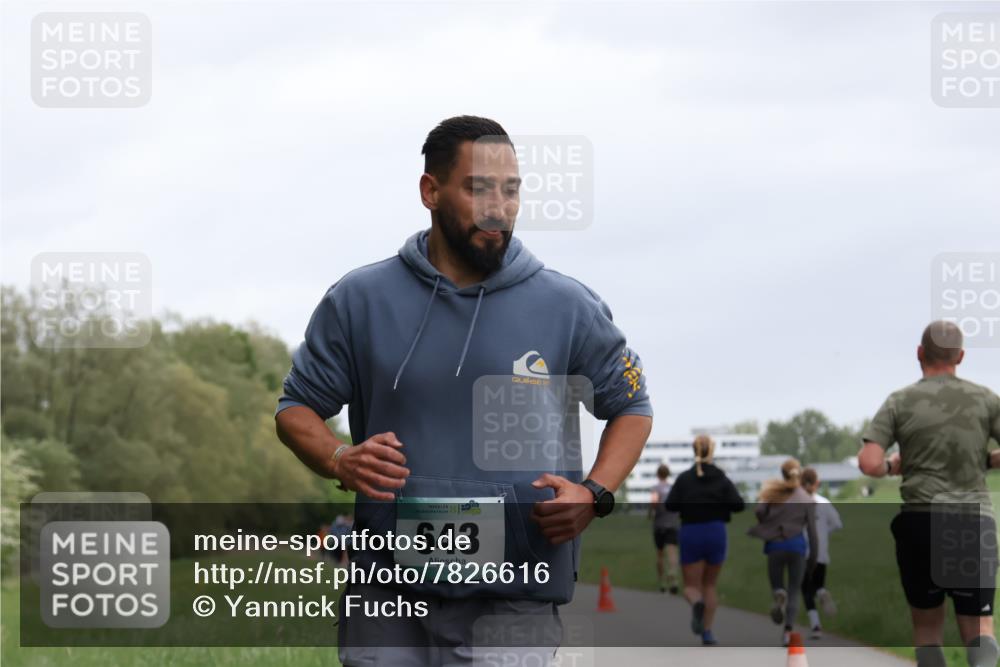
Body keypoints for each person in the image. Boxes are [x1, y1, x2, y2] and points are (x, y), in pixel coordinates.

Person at [274, 115, 653, 667]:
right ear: (431, 191)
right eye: (479, 188)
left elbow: (631, 406)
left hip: (513, 601)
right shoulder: (359, 299)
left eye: (511, 189)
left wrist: (594, 493)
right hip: (386, 599)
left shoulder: (566, 305)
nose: (498, 206)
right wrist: (339, 458)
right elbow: (295, 408)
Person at [859, 321, 1000, 667]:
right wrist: (985, 460)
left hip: (921, 523)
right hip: (972, 522)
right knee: (979, 627)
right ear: (961, 356)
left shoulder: (900, 400)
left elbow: (869, 462)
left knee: (926, 628)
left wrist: (893, 467)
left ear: (920, 353)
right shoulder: (985, 399)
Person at [664, 435, 745, 646]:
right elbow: (739, 504)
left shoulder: (684, 478)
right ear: (712, 451)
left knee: (691, 587)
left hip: (691, 532)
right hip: (716, 532)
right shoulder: (721, 477)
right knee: (710, 585)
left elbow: (670, 505)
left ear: (694, 451)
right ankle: (707, 633)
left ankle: (697, 603)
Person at [748, 458, 818, 647]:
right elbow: (812, 531)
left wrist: (769, 519)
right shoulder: (806, 498)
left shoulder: (772, 493)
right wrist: (813, 558)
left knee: (778, 586)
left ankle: (779, 596)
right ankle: (788, 632)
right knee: (794, 590)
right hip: (797, 547)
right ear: (800, 474)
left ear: (783, 473)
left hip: (775, 546)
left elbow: (759, 512)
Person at [799, 467, 842, 639]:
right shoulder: (823, 502)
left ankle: (816, 625)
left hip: (803, 552)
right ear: (817, 483)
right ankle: (822, 592)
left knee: (805, 589)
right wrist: (824, 532)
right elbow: (838, 524)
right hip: (821, 551)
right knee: (817, 583)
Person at [648, 463, 680, 594]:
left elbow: (654, 502)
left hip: (659, 525)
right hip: (672, 524)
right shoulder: (673, 488)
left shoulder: (656, 488)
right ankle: (673, 578)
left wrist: (651, 513)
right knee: (672, 552)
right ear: (668, 474)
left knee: (660, 554)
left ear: (658, 474)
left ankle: (662, 582)